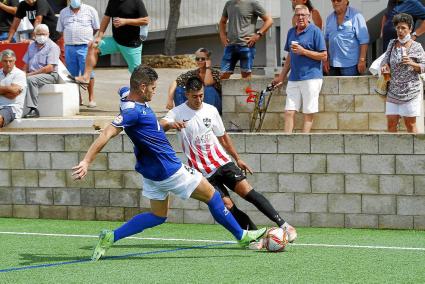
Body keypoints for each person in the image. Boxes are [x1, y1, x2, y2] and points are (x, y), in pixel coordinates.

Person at [71, 65, 267, 261]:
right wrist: (86, 161)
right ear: (142, 87)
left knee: (158, 216)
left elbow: (123, 90)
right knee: (213, 196)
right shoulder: (132, 112)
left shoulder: (127, 97)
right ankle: (242, 236)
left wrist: (170, 124)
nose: (155, 92)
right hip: (169, 169)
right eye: (153, 88)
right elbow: (107, 133)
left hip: (150, 174)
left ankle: (111, 236)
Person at [160, 77, 297, 245]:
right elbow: (162, 124)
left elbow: (223, 138)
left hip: (223, 163)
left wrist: (238, 158)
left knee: (248, 192)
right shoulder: (178, 112)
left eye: (201, 95)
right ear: (187, 94)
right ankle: (256, 237)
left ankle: (284, 225)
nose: (199, 99)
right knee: (228, 205)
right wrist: (172, 124)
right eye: (195, 96)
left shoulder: (210, 110)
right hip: (204, 173)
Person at [273, 5, 327, 133]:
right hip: (294, 78)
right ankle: (287, 142)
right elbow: (290, 56)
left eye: (303, 15)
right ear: (294, 17)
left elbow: (324, 55)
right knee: (288, 111)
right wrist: (281, 76)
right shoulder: (291, 32)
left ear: (309, 17)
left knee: (308, 112)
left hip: (311, 77)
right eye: (298, 15)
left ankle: (303, 142)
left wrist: (303, 51)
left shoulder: (315, 31)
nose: (301, 17)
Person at [71, 0, 149, 87]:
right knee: (93, 46)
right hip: (115, 41)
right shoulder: (112, 1)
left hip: (131, 45)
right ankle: (86, 78)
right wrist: (99, 37)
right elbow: (106, 18)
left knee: (137, 75)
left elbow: (145, 20)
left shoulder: (136, 2)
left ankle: (143, 97)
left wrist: (125, 21)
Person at [380, 13, 425, 133]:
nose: (400, 31)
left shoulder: (417, 46)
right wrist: (385, 67)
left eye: (403, 28)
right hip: (393, 91)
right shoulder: (392, 44)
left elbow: (424, 66)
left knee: (410, 125)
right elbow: (384, 61)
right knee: (391, 123)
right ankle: (392, 151)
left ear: (410, 29)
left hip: (411, 92)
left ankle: (415, 151)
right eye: (398, 27)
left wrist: (412, 63)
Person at [57, 0, 99, 108]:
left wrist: (87, 38)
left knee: (89, 73)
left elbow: (96, 27)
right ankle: (77, 98)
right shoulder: (63, 12)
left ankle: (91, 98)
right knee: (72, 75)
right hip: (69, 47)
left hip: (85, 46)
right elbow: (61, 30)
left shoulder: (90, 10)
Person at [219, 0, 273, 80]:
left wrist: (258, 34)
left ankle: (246, 92)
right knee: (223, 75)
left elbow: (269, 20)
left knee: (246, 77)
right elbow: (222, 21)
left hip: (246, 46)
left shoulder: (253, 3)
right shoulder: (229, 4)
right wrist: (222, 36)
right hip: (230, 46)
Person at [166, 48, 222, 114]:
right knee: (179, 89)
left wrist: (208, 67)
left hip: (215, 107)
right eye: (197, 59)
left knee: (208, 89)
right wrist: (170, 99)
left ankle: (204, 115)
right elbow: (176, 82)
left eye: (203, 59)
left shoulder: (216, 73)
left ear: (208, 60)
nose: (200, 60)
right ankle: (183, 114)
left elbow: (207, 83)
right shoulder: (193, 73)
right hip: (197, 104)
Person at [22, 24, 59, 118]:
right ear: (34, 35)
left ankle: (33, 109)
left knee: (31, 79)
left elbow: (50, 68)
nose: (41, 36)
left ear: (48, 34)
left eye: (44, 34)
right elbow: (26, 63)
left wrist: (30, 74)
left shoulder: (53, 47)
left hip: (50, 75)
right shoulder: (31, 46)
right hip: (33, 74)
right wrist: (22, 74)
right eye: (39, 34)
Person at [323, 0, 369, 76]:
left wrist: (362, 60)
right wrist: (325, 59)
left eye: (339, 0)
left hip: (351, 65)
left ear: (346, 1)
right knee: (333, 88)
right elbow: (325, 40)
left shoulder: (356, 16)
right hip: (332, 64)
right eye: (333, 0)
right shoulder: (329, 18)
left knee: (351, 88)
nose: (336, 2)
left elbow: (364, 40)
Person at [0, 49, 27, 127]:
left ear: (15, 60)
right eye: (5, 61)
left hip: (12, 108)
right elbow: (11, 92)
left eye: (10, 61)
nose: (8, 64)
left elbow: (13, 94)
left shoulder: (20, 74)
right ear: (1, 61)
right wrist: (8, 90)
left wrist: (8, 91)